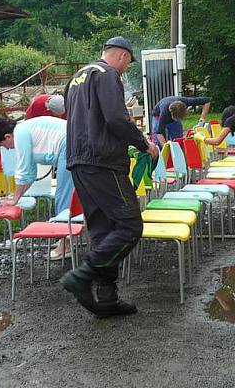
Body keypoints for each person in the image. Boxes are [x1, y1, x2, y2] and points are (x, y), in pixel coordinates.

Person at [60, 36, 159, 318]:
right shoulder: (108, 74)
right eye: (128, 63)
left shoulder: (76, 78)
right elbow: (116, 119)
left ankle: (107, 297)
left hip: (78, 160)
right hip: (103, 161)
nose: (126, 69)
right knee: (129, 226)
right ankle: (83, 274)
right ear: (123, 57)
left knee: (104, 228)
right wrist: (144, 144)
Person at [0, 116, 74, 260]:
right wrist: (16, 196)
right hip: (71, 139)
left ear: (8, 136)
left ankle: (65, 244)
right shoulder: (24, 129)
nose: (9, 149)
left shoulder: (20, 134)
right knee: (69, 194)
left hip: (69, 143)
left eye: (5, 146)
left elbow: (22, 171)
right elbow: (30, 175)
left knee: (63, 196)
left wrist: (15, 200)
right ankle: (66, 237)